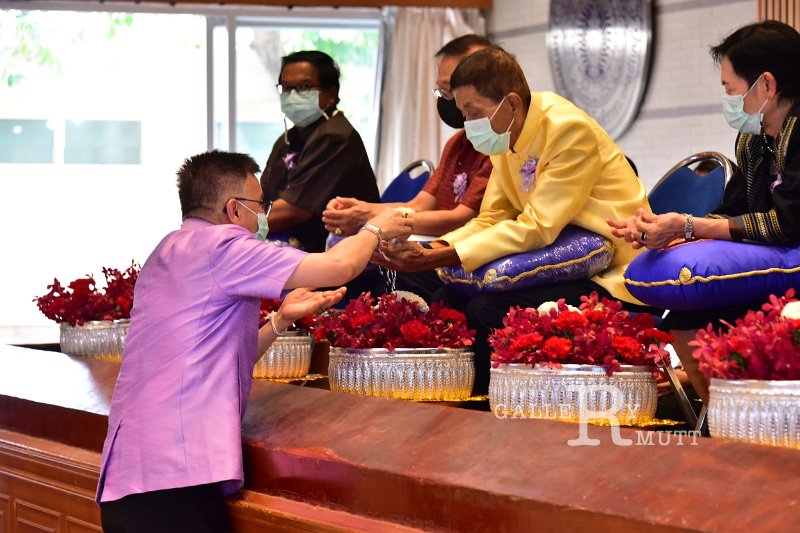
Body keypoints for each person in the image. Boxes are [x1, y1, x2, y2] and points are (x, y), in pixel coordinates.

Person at [96, 150, 412, 533]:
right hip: (175, 476)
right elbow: (338, 266)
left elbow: (218, 356)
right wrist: (374, 228)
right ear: (234, 209)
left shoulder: (167, 250)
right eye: (260, 205)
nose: (264, 216)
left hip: (129, 477)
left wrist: (279, 321)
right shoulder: (224, 245)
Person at [377, 47, 654, 394]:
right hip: (550, 253)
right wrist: (436, 249)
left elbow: (539, 225)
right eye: (464, 114)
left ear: (510, 103)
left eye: (473, 112)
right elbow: (492, 217)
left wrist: (445, 256)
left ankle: (490, 406)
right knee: (446, 295)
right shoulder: (505, 135)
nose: (468, 125)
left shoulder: (567, 129)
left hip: (608, 267)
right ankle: (454, 395)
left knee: (486, 308)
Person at [608, 20, 800, 405]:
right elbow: (732, 212)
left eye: (730, 89)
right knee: (686, 320)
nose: (728, 99)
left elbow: (788, 224)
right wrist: (665, 231)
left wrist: (689, 226)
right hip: (771, 269)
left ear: (766, 84)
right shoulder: (754, 141)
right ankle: (722, 422)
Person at [321, 34, 493, 302]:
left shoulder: (495, 146)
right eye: (441, 91)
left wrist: (374, 220)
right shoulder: (457, 143)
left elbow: (461, 218)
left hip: (462, 251)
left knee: (384, 262)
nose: (447, 99)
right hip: (442, 244)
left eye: (450, 89)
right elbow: (420, 204)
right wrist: (365, 211)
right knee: (354, 248)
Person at [261, 50, 380, 253]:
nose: (293, 96)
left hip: (335, 251)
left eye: (304, 87)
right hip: (295, 241)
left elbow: (294, 211)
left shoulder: (335, 137)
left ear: (330, 94)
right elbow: (262, 196)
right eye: (287, 87)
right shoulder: (288, 139)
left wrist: (237, 226)